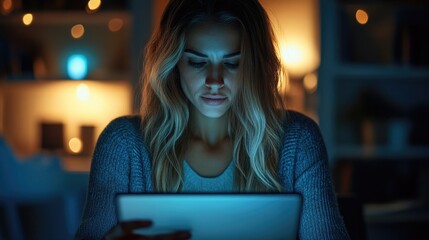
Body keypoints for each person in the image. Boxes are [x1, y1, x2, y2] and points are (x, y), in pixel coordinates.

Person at [75, 0, 351, 239]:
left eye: (232, 63)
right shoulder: (124, 145)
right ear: (173, 64)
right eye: (197, 62)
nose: (215, 81)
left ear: (253, 67)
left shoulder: (298, 140)